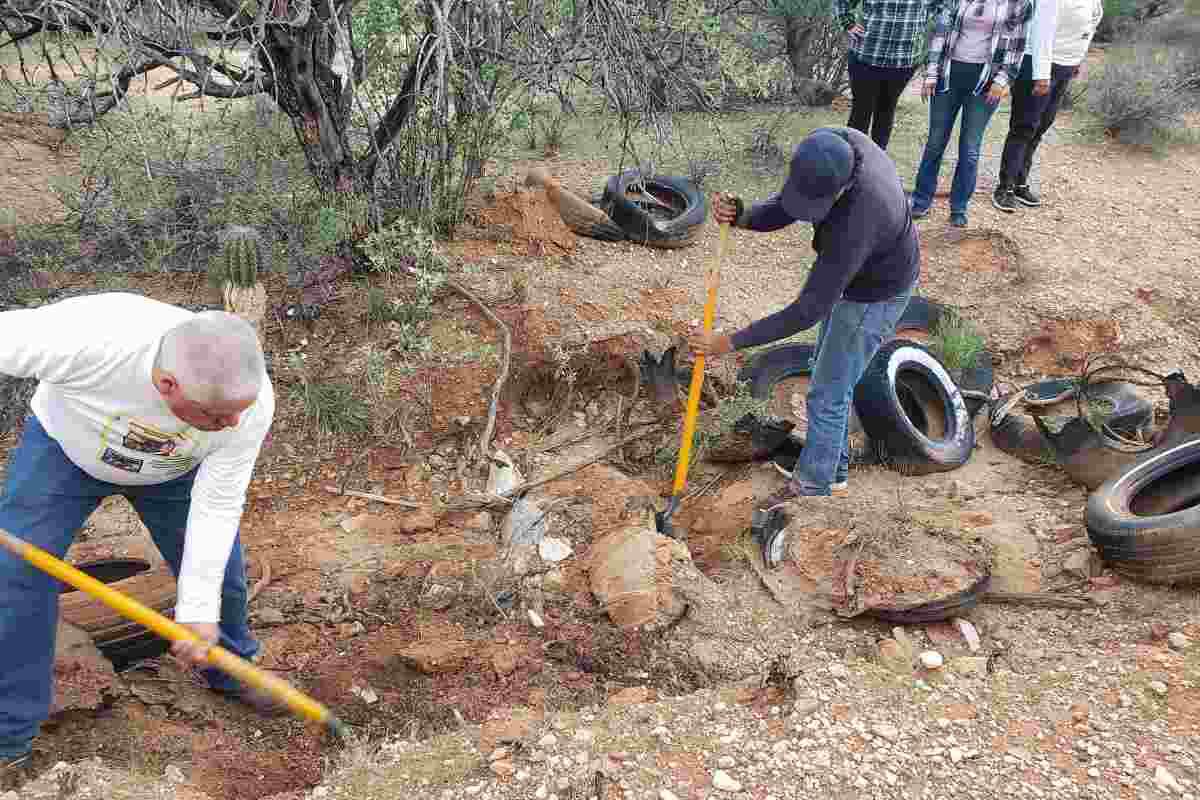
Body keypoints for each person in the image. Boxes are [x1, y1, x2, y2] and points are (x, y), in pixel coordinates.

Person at [0, 293, 277, 787]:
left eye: (238, 414)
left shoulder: (246, 405)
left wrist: (196, 611)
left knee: (224, 580)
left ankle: (232, 671)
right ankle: (10, 737)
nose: (232, 425)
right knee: (15, 580)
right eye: (216, 417)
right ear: (168, 383)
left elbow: (216, 507)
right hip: (65, 454)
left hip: (174, 476)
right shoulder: (88, 337)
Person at [686, 127, 919, 564]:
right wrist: (746, 215)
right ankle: (834, 468)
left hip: (876, 294)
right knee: (828, 372)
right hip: (857, 278)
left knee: (829, 389)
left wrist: (729, 342)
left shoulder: (858, 219)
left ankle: (813, 488)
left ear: (843, 188)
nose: (809, 214)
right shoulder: (832, 145)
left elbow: (807, 310)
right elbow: (788, 206)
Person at [909, 0, 1034, 227]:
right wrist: (931, 73)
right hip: (949, 73)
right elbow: (940, 32)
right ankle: (921, 199)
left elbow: (1018, 45)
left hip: (987, 80)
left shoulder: (1019, 4)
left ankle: (959, 207)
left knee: (970, 148)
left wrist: (1004, 79)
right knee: (935, 141)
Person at [994, 0, 1102, 210]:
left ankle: (1019, 181)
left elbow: (1090, 24)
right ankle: (1004, 186)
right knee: (1024, 126)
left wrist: (1077, 60)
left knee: (1042, 126)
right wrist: (1041, 76)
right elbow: (1041, 33)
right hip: (1038, 65)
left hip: (1065, 66)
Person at [836, 0, 944, 151]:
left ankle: (876, 165)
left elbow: (942, 9)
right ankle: (851, 163)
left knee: (886, 111)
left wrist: (922, 23)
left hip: (903, 61)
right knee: (861, 112)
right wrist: (847, 23)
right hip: (866, 57)